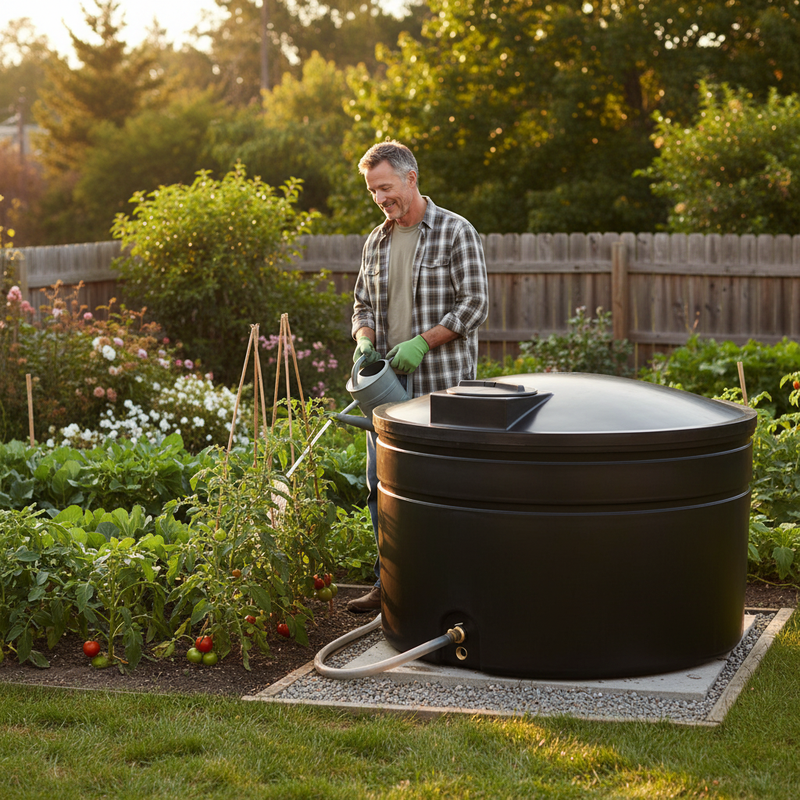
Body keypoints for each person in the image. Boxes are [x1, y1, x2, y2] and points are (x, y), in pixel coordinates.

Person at [346, 140, 489, 613]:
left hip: (441, 385)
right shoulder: (376, 240)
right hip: (386, 387)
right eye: (372, 192)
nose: (380, 199)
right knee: (381, 485)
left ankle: (452, 585)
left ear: (411, 178)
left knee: (443, 487)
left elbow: (474, 304)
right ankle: (390, 582)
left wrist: (422, 342)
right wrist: (365, 339)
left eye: (385, 187)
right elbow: (362, 305)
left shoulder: (454, 231)